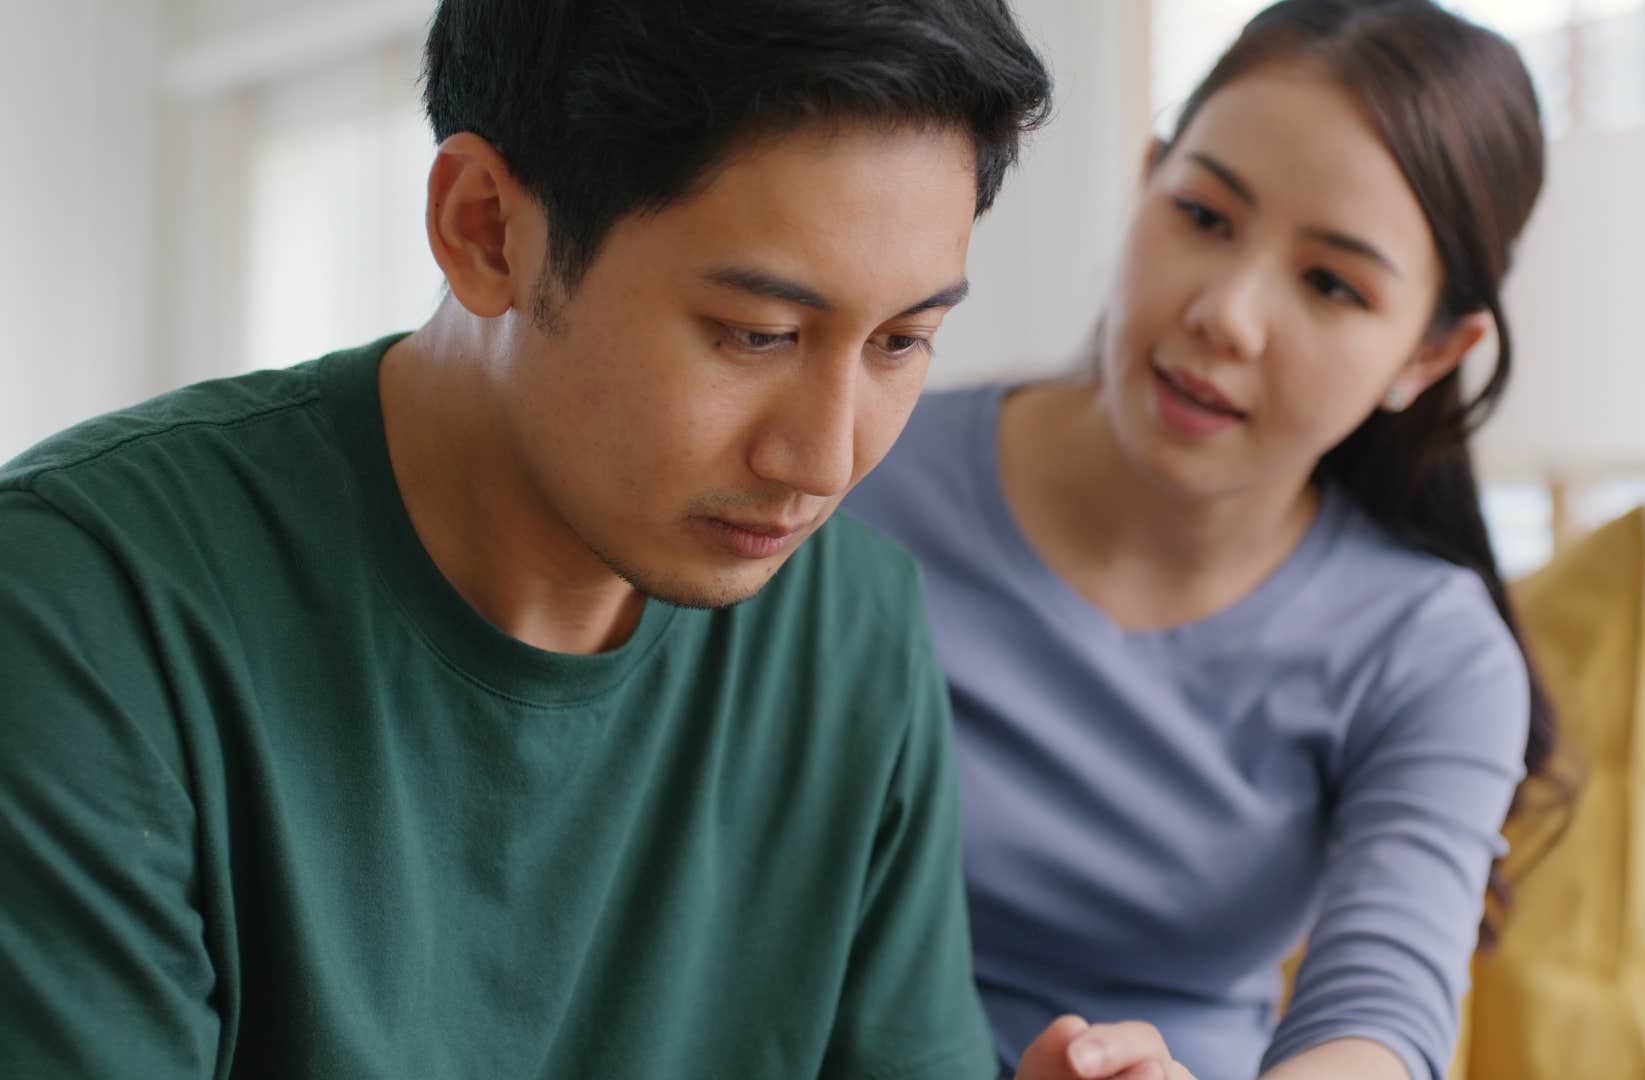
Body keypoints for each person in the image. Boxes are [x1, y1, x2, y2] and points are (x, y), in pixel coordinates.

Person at [0, 2, 1198, 1077]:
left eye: (900, 342)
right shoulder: (83, 604)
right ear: (486, 232)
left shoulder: (853, 631)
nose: (824, 463)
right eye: (756, 334)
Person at [842, 2, 1561, 1078]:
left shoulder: (1428, 652)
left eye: (1331, 283)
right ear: (1144, 183)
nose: (1227, 314)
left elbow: (1381, 1020)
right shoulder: (850, 467)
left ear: (1428, 353)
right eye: (1206, 217)